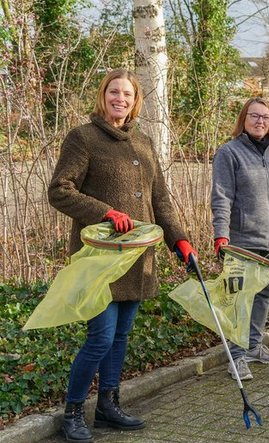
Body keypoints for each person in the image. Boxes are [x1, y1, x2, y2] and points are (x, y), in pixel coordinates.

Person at [48, 69, 197, 443]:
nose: (121, 99)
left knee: (121, 335)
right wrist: (104, 212)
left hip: (137, 257)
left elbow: (159, 199)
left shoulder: (144, 142)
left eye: (128, 94)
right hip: (99, 259)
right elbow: (59, 190)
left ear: (136, 100)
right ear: (103, 95)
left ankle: (108, 406)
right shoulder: (82, 138)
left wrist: (180, 241)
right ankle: (73, 413)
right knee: (100, 336)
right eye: (114, 92)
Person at [211, 96, 269, 381]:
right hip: (243, 241)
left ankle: (253, 345)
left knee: (263, 294)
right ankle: (236, 356)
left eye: (265, 117)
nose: (260, 121)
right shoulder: (229, 153)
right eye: (254, 116)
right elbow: (222, 198)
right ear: (243, 119)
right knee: (238, 299)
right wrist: (221, 234)